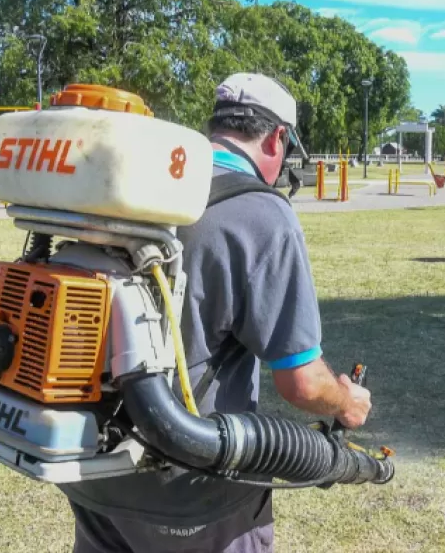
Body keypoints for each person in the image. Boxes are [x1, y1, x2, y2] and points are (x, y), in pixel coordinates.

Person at [63, 73, 373, 553]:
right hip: (195, 490)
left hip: (92, 469)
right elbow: (303, 384)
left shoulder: (135, 187)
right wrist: (346, 402)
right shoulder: (262, 214)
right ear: (278, 138)